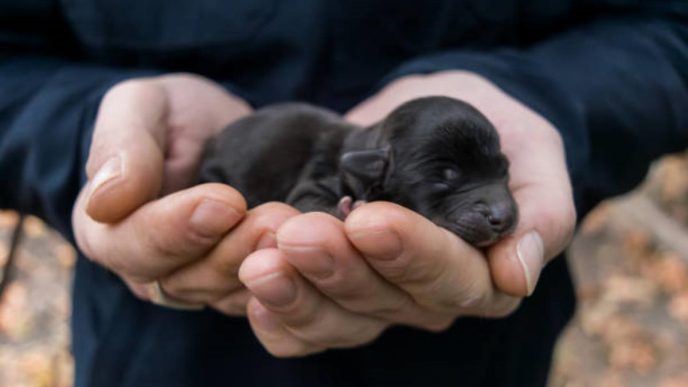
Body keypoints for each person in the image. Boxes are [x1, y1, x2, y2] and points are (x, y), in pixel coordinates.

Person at [1, 1, 686, 386]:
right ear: (374, 169)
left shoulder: (386, 166)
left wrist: (548, 103)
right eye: (446, 177)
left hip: (476, 363)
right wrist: (89, 137)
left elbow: (667, 26)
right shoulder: (343, 170)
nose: (497, 204)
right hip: (169, 358)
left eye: (494, 169)